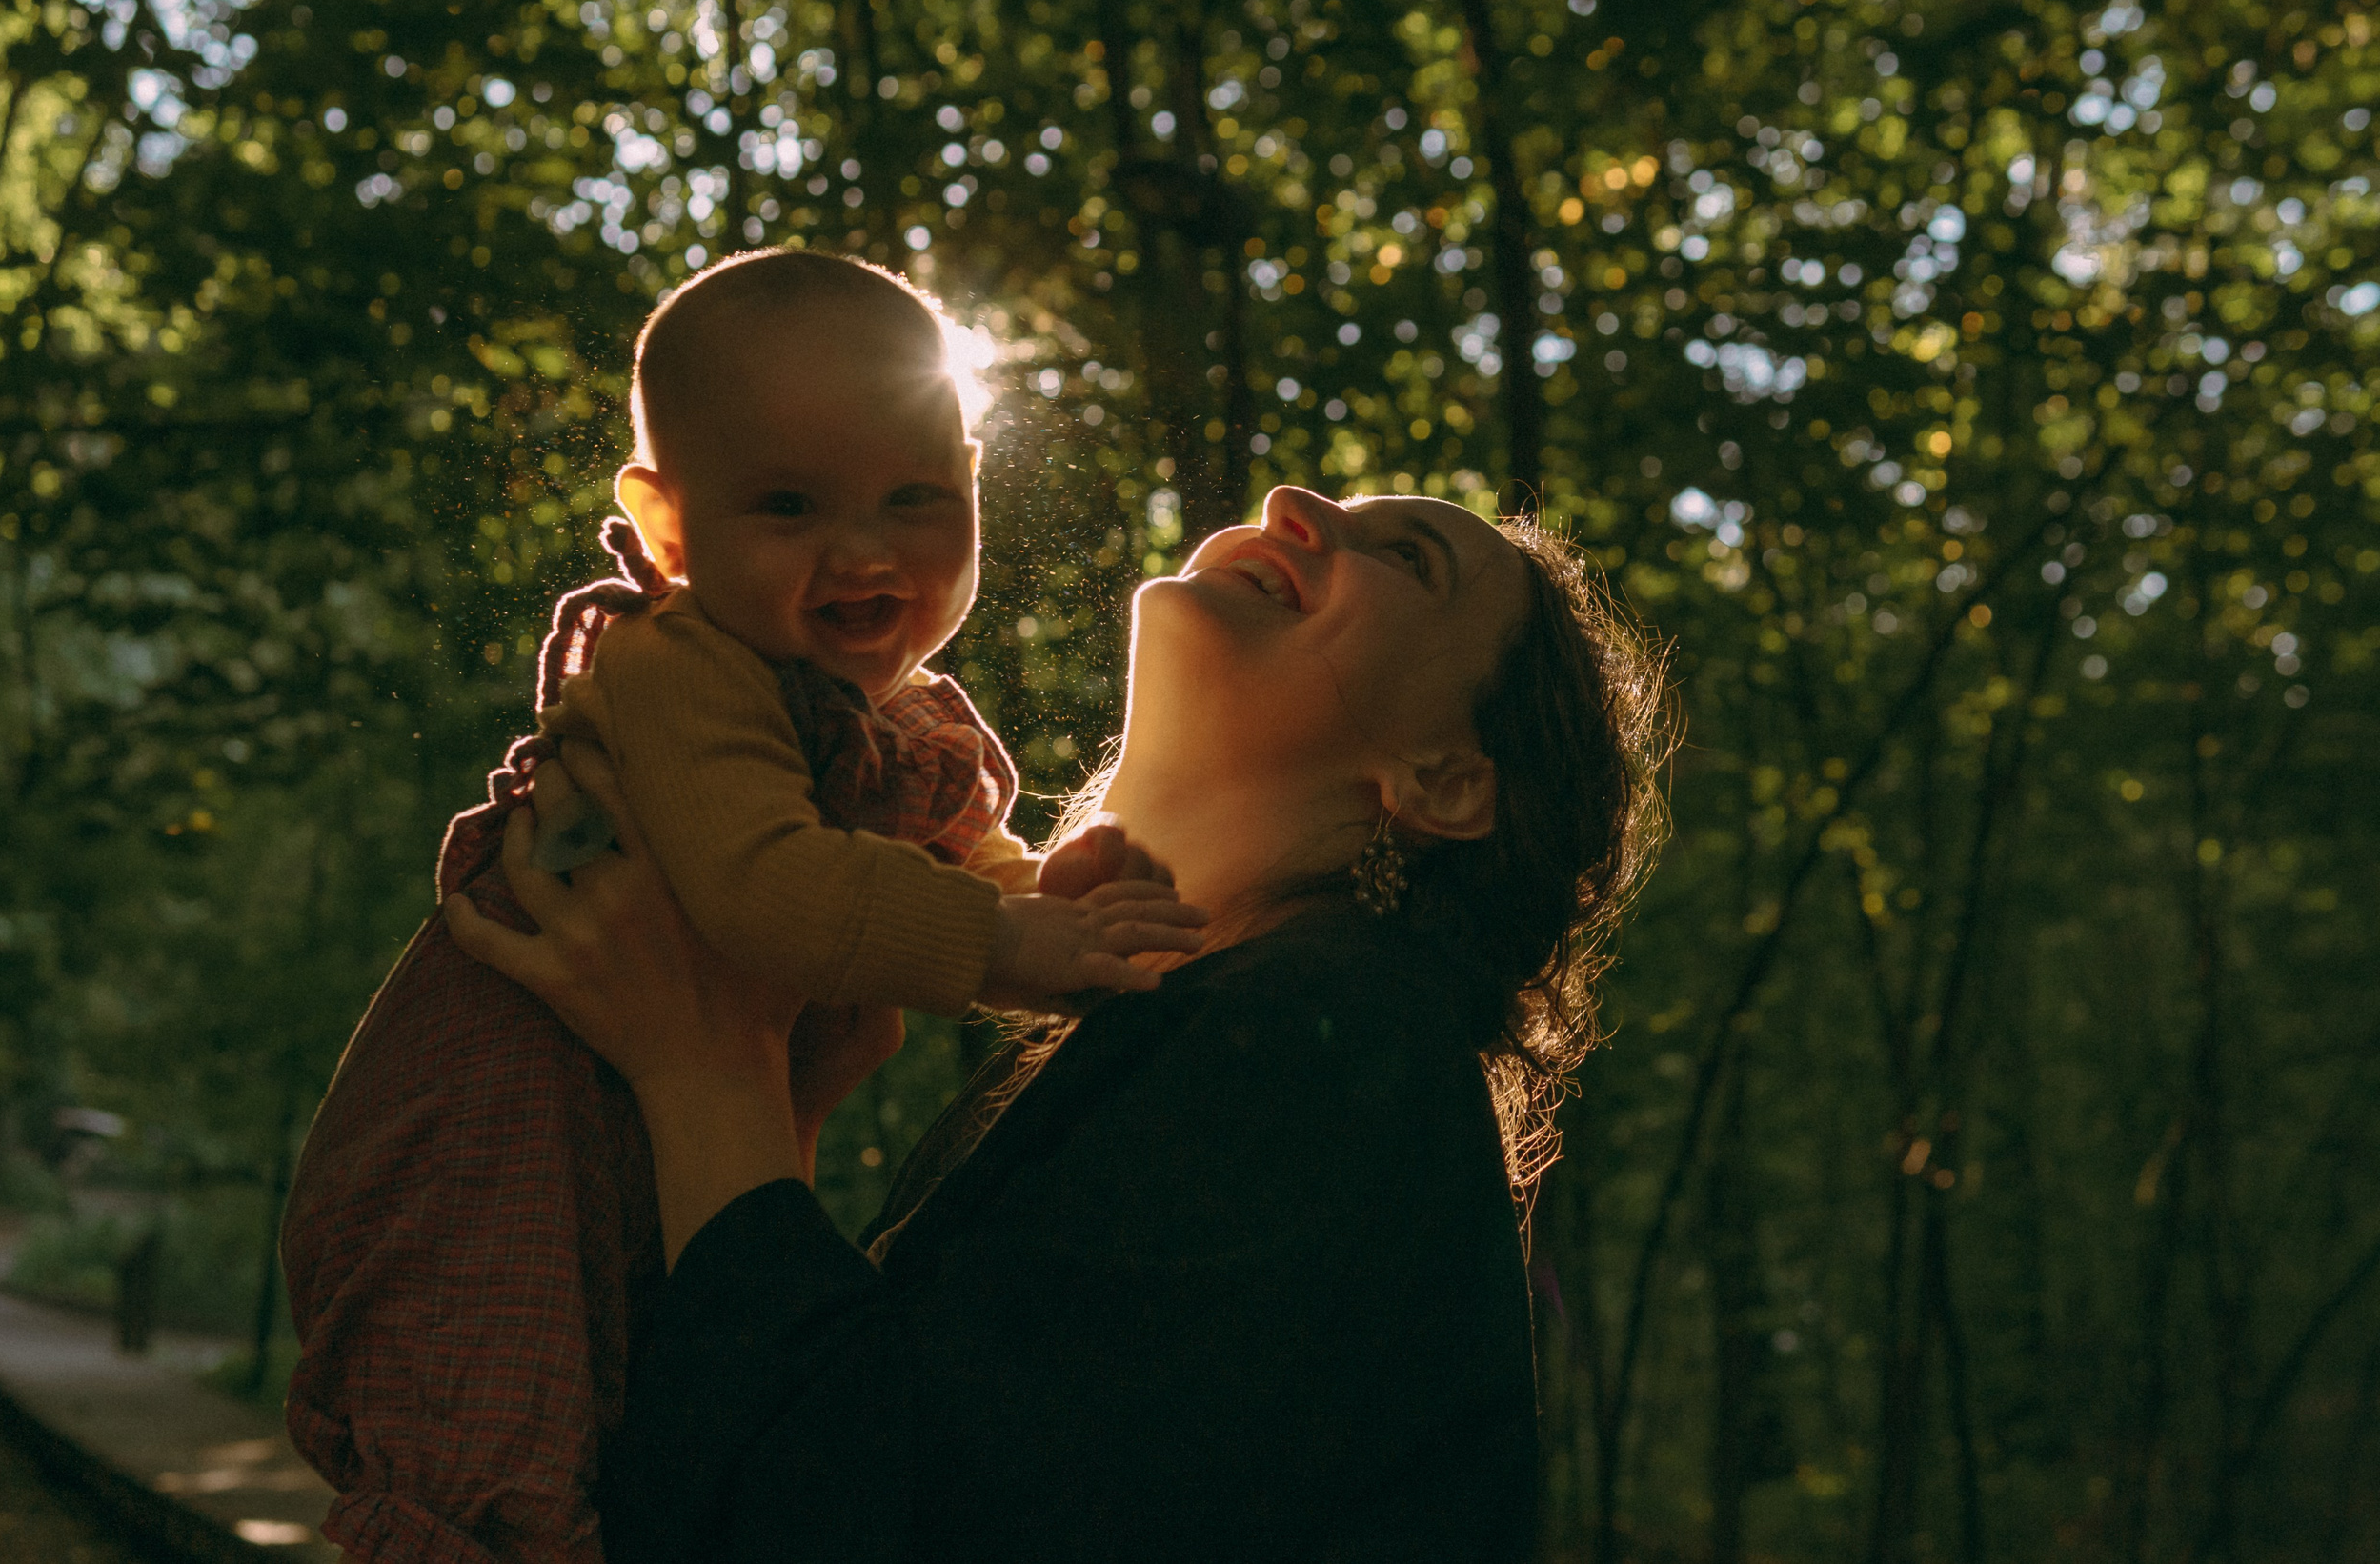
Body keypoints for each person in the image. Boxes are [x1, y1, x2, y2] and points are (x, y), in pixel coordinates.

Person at [460, 480, 1670, 1560]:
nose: (1295, 501)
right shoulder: (1203, 1038)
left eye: (1407, 559)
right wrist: (779, 1102)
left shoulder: (1337, 1047)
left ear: (1443, 781)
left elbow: (856, 1515)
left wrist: (708, 1070)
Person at [282, 250, 1200, 1564]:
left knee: (631, 1413)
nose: (866, 549)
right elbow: (767, 892)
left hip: (628, 1121)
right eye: (788, 503)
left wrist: (1054, 895)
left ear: (975, 488)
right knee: (499, 1432)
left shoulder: (901, 718)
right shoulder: (685, 669)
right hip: (489, 1123)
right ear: (667, 528)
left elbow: (959, 872)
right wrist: (1014, 944)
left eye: (915, 497)